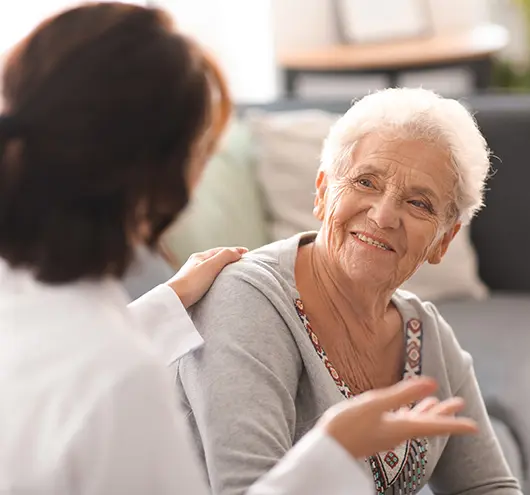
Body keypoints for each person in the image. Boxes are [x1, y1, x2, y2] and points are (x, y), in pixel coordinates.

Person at [0, 4, 478, 494]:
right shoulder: (126, 375)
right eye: (204, 149)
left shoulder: (35, 308)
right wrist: (330, 450)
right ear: (165, 178)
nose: (383, 214)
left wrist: (163, 307)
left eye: (418, 203)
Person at [178, 88, 522, 495]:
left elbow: (488, 486)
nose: (384, 215)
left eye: (419, 203)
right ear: (323, 193)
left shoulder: (426, 334)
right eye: (366, 181)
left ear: (443, 242)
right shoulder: (246, 299)